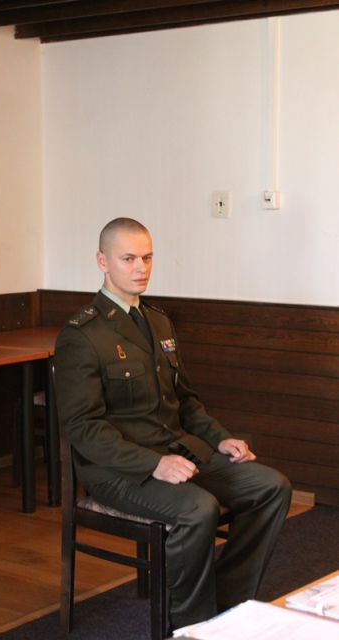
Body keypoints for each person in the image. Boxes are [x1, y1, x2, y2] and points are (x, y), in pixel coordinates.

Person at [54, 217, 292, 631]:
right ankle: (188, 627)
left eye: (147, 258)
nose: (140, 268)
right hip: (119, 470)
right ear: (102, 261)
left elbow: (185, 401)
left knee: (271, 486)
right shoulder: (83, 334)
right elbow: (83, 428)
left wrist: (220, 440)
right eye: (128, 258)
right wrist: (154, 464)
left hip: (178, 451)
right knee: (198, 509)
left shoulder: (159, 321)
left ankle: (227, 604)